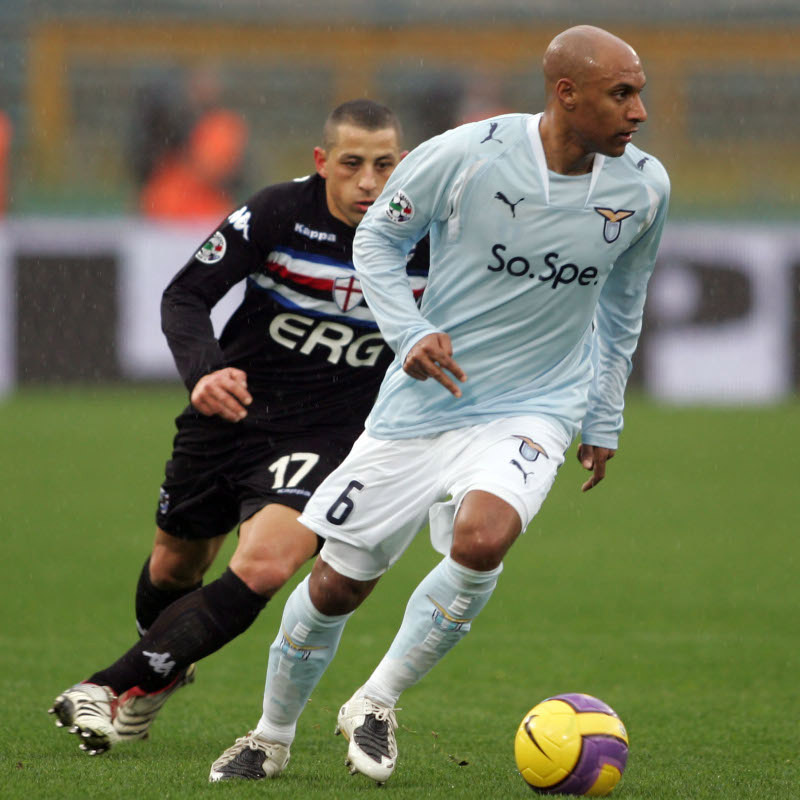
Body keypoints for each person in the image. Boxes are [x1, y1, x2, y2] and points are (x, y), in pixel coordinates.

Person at [209, 25, 669, 784]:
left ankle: (379, 700)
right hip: (424, 405)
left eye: (639, 92)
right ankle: (271, 733)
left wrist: (604, 413)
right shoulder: (467, 153)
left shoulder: (643, 186)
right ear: (566, 94)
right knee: (336, 585)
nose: (640, 111)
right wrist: (410, 331)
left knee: (483, 538)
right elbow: (377, 245)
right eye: (622, 94)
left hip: (537, 404)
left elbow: (623, 307)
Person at [48, 99, 428, 756]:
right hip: (230, 409)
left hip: (329, 434)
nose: (370, 181)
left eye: (385, 164)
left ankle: (108, 687)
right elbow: (185, 296)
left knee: (267, 561)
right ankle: (161, 672)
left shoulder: (426, 236)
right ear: (322, 162)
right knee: (175, 565)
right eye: (353, 164)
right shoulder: (279, 212)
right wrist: (203, 372)